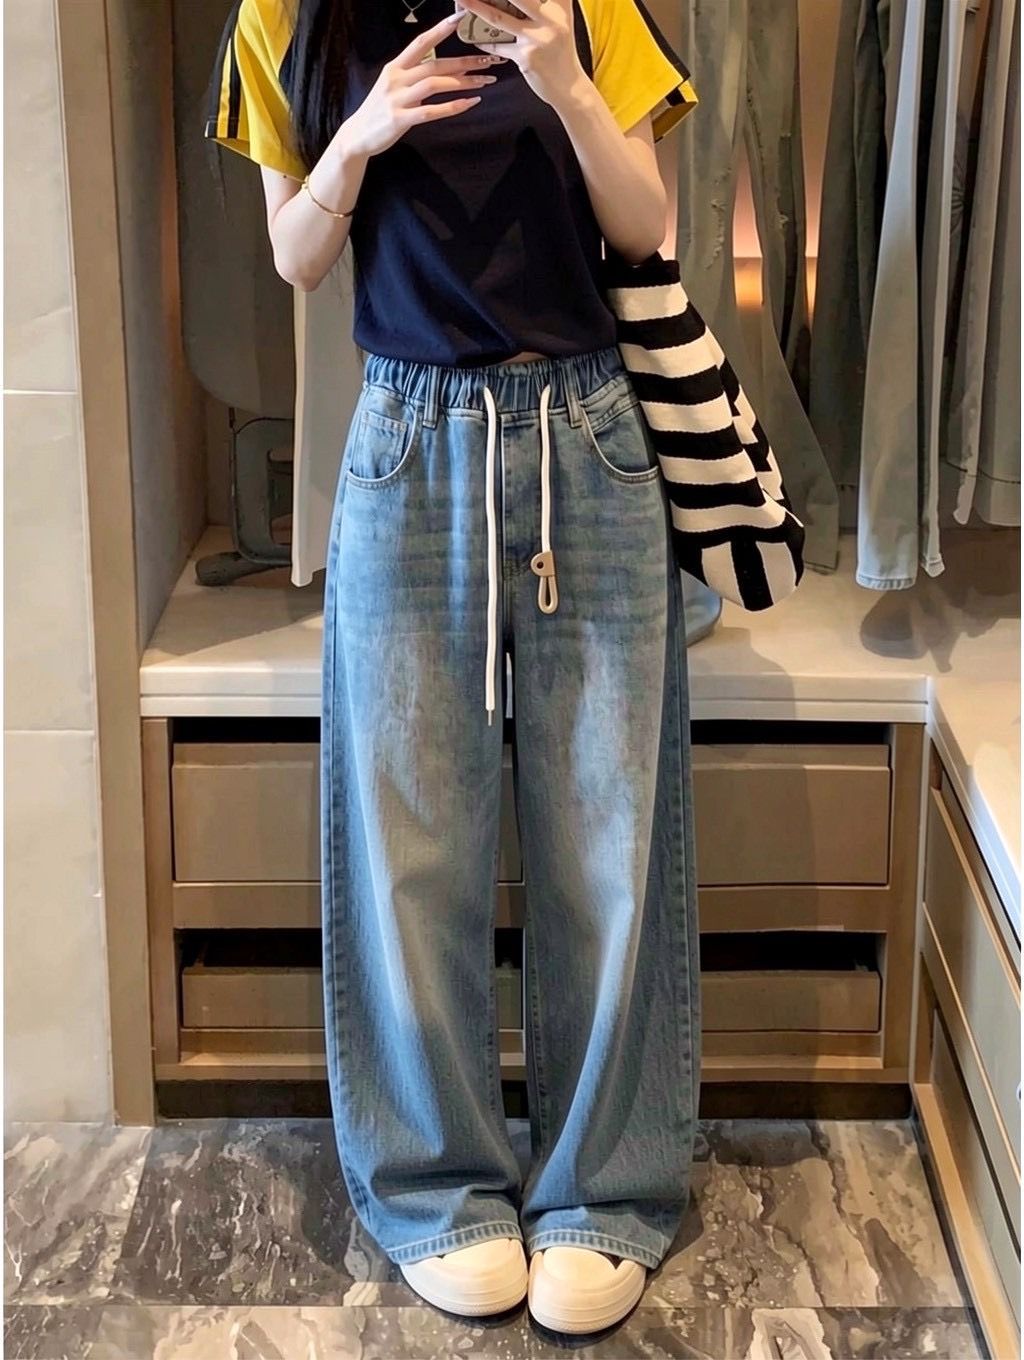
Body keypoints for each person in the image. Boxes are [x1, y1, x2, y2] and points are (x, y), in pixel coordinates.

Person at [204, 0, 701, 1334]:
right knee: (408, 838)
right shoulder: (291, 16)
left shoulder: (589, 3)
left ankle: (604, 1187)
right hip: (409, 440)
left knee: (608, 831)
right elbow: (297, 255)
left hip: (588, 436)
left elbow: (645, 230)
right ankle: (435, 1187)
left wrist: (566, 78)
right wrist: (360, 135)